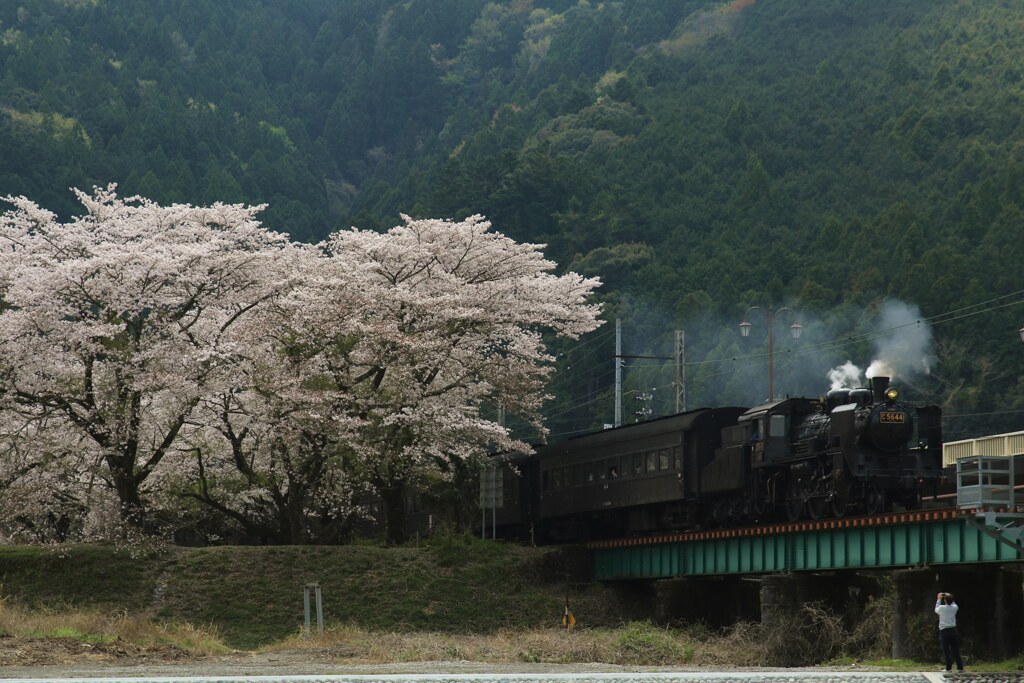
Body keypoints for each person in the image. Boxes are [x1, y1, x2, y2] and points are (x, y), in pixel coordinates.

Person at [935, 591, 964, 672]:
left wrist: (938, 599)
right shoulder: (955, 608)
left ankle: (948, 668)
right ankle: (960, 667)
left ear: (945, 601)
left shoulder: (941, 608)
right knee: (955, 649)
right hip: (953, 630)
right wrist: (949, 596)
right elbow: (953, 603)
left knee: (946, 650)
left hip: (944, 630)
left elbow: (936, 610)